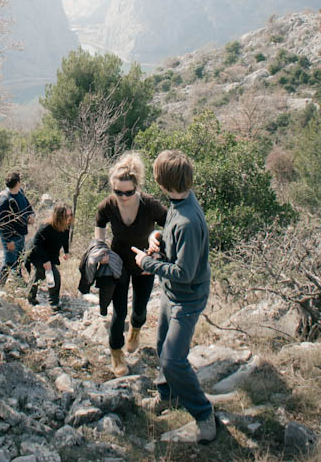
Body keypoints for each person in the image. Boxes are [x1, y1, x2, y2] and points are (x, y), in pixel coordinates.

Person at [132, 150, 216, 444]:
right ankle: (168, 397)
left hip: (187, 298)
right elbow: (176, 243)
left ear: (162, 181)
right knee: (161, 345)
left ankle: (205, 416)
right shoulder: (181, 202)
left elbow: (185, 272)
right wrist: (159, 238)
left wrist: (147, 263)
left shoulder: (187, 221)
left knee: (171, 359)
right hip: (173, 294)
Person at [95, 151, 167, 377]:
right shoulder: (106, 206)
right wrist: (101, 251)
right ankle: (116, 352)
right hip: (118, 262)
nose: (123, 197)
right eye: (118, 192)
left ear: (137, 186)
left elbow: (172, 228)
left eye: (128, 192)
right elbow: (99, 234)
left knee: (139, 308)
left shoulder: (150, 205)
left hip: (144, 262)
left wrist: (157, 246)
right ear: (112, 188)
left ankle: (135, 330)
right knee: (119, 311)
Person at [25, 203, 73, 312]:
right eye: (66, 216)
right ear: (59, 216)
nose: (69, 218)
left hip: (50, 254)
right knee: (54, 275)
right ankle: (54, 303)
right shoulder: (47, 227)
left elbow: (65, 238)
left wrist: (66, 251)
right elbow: (36, 242)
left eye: (71, 215)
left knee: (40, 274)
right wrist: (45, 260)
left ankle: (30, 296)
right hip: (37, 252)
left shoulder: (66, 225)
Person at [0, 172, 35, 284]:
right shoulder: (4, 200)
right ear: (18, 183)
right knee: (9, 261)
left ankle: (18, 283)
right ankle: (0, 283)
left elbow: (29, 208)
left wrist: (32, 216)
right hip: (10, 236)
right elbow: (2, 224)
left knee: (18, 259)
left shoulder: (21, 193)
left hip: (21, 234)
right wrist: (8, 241)